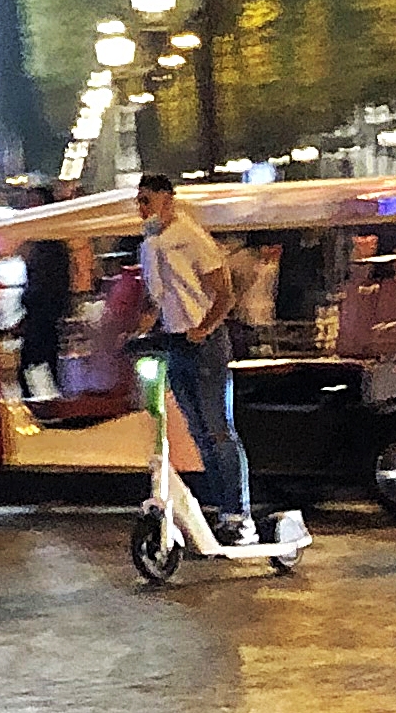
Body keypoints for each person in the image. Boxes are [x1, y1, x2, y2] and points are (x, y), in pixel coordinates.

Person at [134, 173, 255, 546]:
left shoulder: (191, 237)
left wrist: (204, 328)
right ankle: (223, 512)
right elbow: (157, 299)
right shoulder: (150, 244)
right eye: (138, 201)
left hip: (204, 344)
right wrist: (139, 333)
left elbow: (225, 292)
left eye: (147, 200)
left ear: (168, 200)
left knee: (218, 429)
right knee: (199, 432)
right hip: (175, 342)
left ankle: (240, 515)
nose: (141, 208)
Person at [18, 187, 71, 397]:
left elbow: (50, 285)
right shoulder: (41, 244)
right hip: (39, 315)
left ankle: (46, 404)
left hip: (44, 316)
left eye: (34, 203)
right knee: (38, 363)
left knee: (38, 362)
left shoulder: (51, 245)